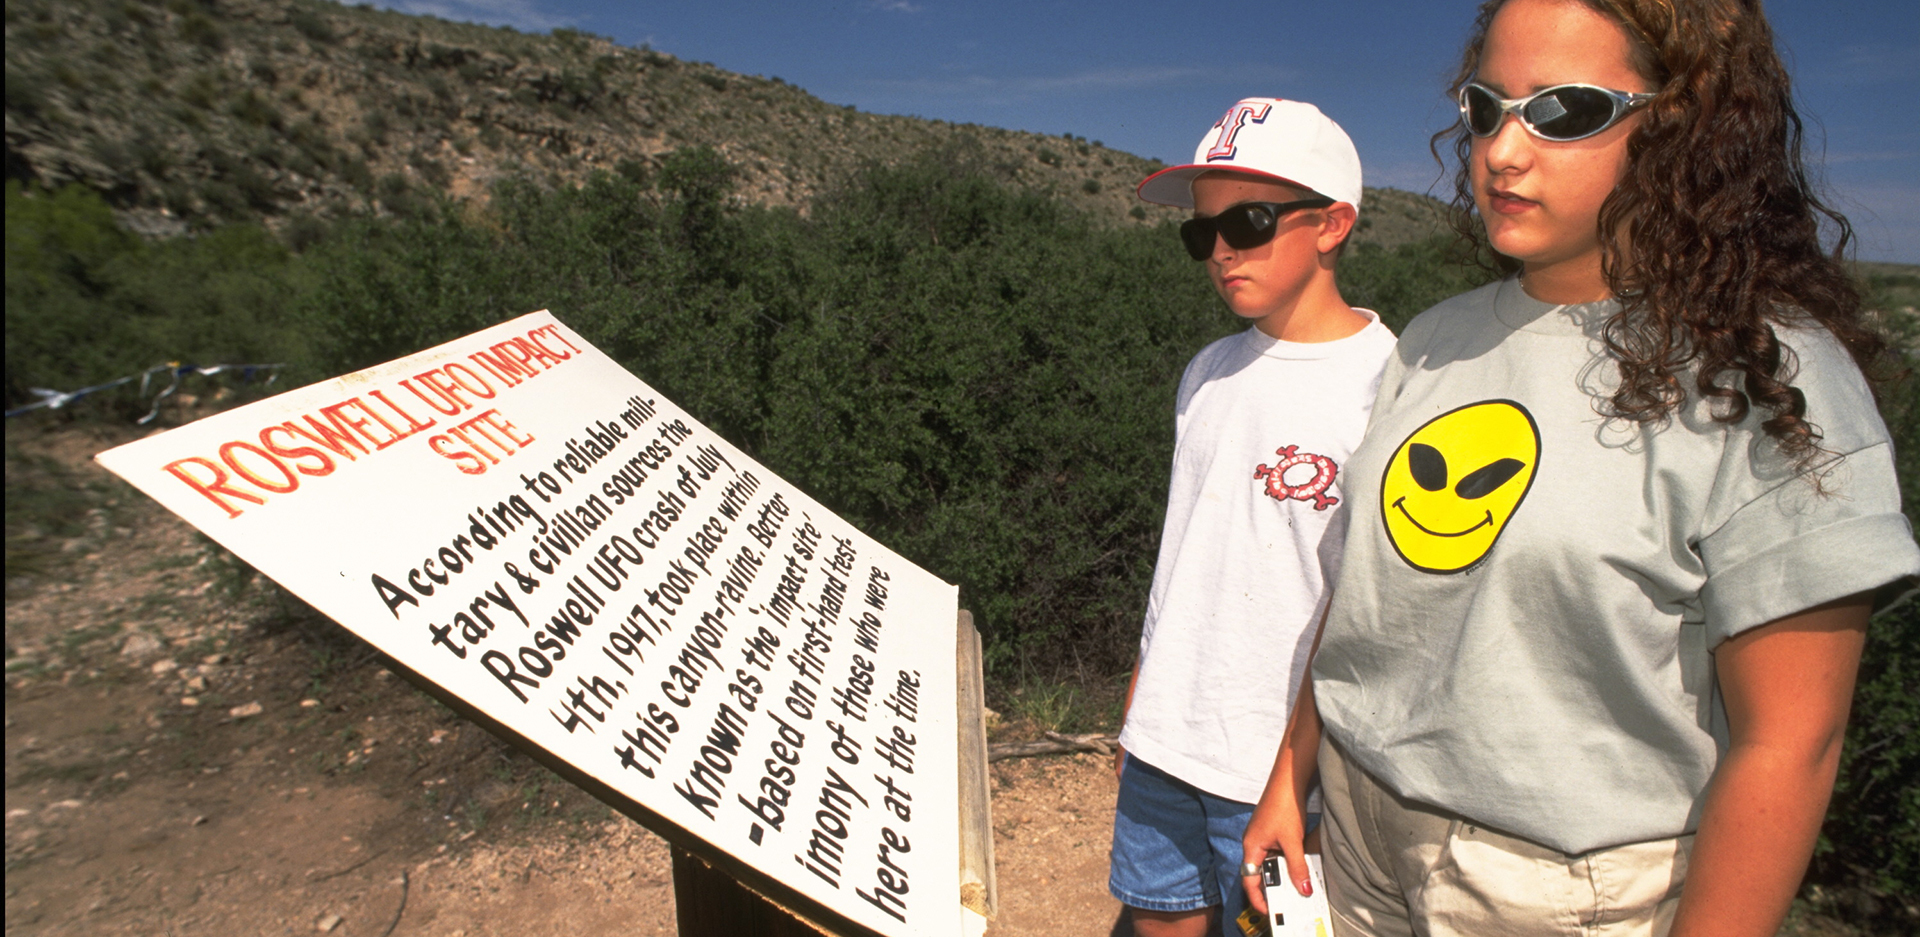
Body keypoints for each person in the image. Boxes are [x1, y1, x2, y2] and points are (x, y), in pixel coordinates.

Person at [1240, 1, 1920, 935]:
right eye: (1487, 109)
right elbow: (1365, 599)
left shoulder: (1768, 378)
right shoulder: (1434, 339)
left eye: (1564, 111)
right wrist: (1294, 777)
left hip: (1553, 891)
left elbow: (1790, 744)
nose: (1502, 151)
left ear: (1685, 123)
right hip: (1358, 831)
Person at [1113, 98, 1398, 937]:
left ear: (1332, 224)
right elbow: (1184, 549)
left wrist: (1293, 775)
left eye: (1248, 222)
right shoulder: (1208, 370)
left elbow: (1363, 603)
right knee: (1160, 917)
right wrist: (1141, 694)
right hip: (1166, 739)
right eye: (1202, 232)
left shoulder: (1389, 384)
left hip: (1282, 769)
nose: (1221, 251)